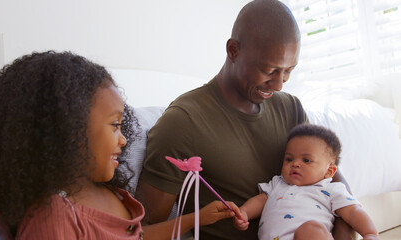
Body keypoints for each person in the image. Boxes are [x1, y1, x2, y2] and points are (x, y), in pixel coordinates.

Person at [135, 0, 355, 239]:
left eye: (288, 71)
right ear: (233, 50)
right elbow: (143, 230)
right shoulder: (183, 122)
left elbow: (338, 190)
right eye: (269, 70)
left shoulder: (291, 108)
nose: (279, 84)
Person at [0, 51, 238, 239]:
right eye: (114, 125)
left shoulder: (106, 191)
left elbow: (141, 235)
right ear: (67, 129)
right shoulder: (53, 217)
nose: (124, 139)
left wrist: (197, 218)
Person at [233, 123, 379, 240]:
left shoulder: (331, 189)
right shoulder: (278, 183)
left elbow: (353, 212)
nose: (295, 164)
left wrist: (370, 233)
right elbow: (260, 201)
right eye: (289, 159)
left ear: (329, 171)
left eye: (306, 160)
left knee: (311, 230)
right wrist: (244, 212)